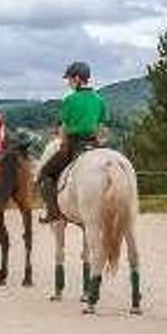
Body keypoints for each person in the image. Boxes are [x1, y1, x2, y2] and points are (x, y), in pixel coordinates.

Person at [38, 61, 107, 223]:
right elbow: (102, 129)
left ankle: (53, 211)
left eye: (69, 79)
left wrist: (63, 145)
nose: (68, 82)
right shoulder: (99, 100)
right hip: (94, 144)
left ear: (77, 78)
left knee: (45, 174)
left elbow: (63, 128)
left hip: (74, 144)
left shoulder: (70, 99)